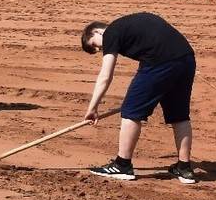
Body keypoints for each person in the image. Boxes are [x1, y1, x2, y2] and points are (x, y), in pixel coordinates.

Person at [81, 13, 197, 184]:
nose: (100, 50)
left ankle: (122, 165)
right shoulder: (129, 25)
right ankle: (184, 168)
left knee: (131, 111)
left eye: (95, 46)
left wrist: (92, 108)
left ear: (97, 31)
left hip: (160, 62)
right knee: (179, 116)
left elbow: (105, 76)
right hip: (186, 59)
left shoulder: (111, 32)